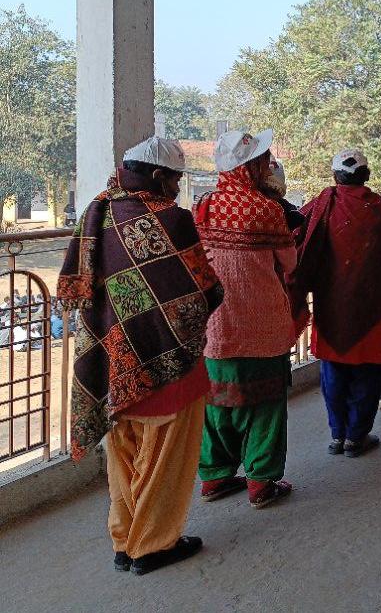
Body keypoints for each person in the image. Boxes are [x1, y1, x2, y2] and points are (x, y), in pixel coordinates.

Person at [57, 136, 222, 574]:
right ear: (158, 176)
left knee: (123, 455)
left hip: (112, 361)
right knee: (166, 460)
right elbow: (204, 290)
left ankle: (124, 540)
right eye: (175, 179)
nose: (177, 188)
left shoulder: (97, 213)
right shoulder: (174, 219)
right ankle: (153, 545)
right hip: (168, 359)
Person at [195, 129, 298, 509]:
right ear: (250, 167)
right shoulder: (266, 209)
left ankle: (215, 476)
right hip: (262, 325)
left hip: (216, 325)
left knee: (216, 402)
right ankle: (261, 481)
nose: (267, 165)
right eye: (262, 160)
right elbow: (290, 262)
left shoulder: (204, 205)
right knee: (265, 404)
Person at [289, 150, 381, 455]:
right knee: (366, 375)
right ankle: (356, 436)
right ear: (366, 175)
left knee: (333, 374)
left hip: (329, 307)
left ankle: (337, 435)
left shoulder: (322, 204)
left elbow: (296, 236)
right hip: (368, 308)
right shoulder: (377, 208)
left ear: (335, 176)